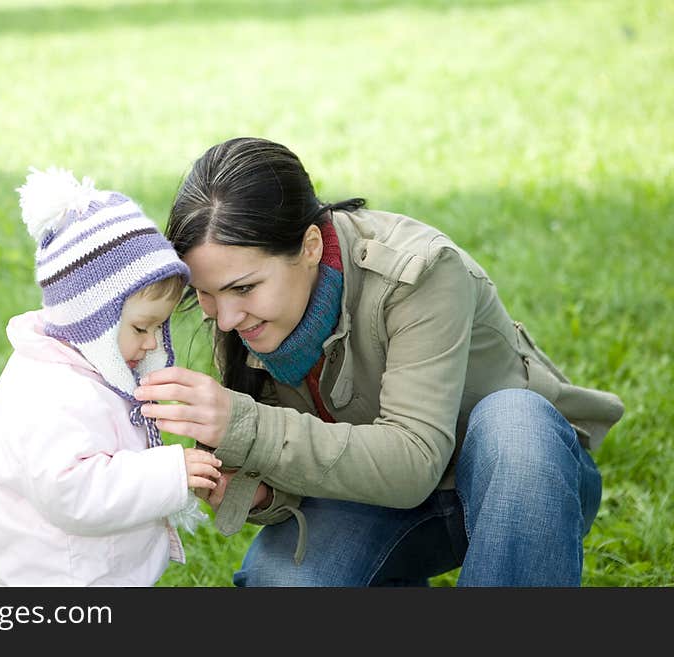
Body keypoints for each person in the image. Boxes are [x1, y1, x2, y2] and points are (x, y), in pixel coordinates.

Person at [133, 137, 626, 586]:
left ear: (308, 247)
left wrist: (244, 425)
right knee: (280, 584)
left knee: (514, 420)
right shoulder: (239, 312)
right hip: (380, 499)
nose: (224, 318)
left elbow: (412, 462)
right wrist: (259, 496)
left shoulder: (419, 272)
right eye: (206, 294)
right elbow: (302, 461)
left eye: (243, 288)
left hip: (523, 483)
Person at [0, 167, 220, 586]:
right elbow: (73, 491)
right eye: (141, 328)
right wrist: (168, 473)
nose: (154, 343)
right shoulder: (53, 393)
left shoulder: (88, 366)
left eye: (160, 328)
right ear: (92, 320)